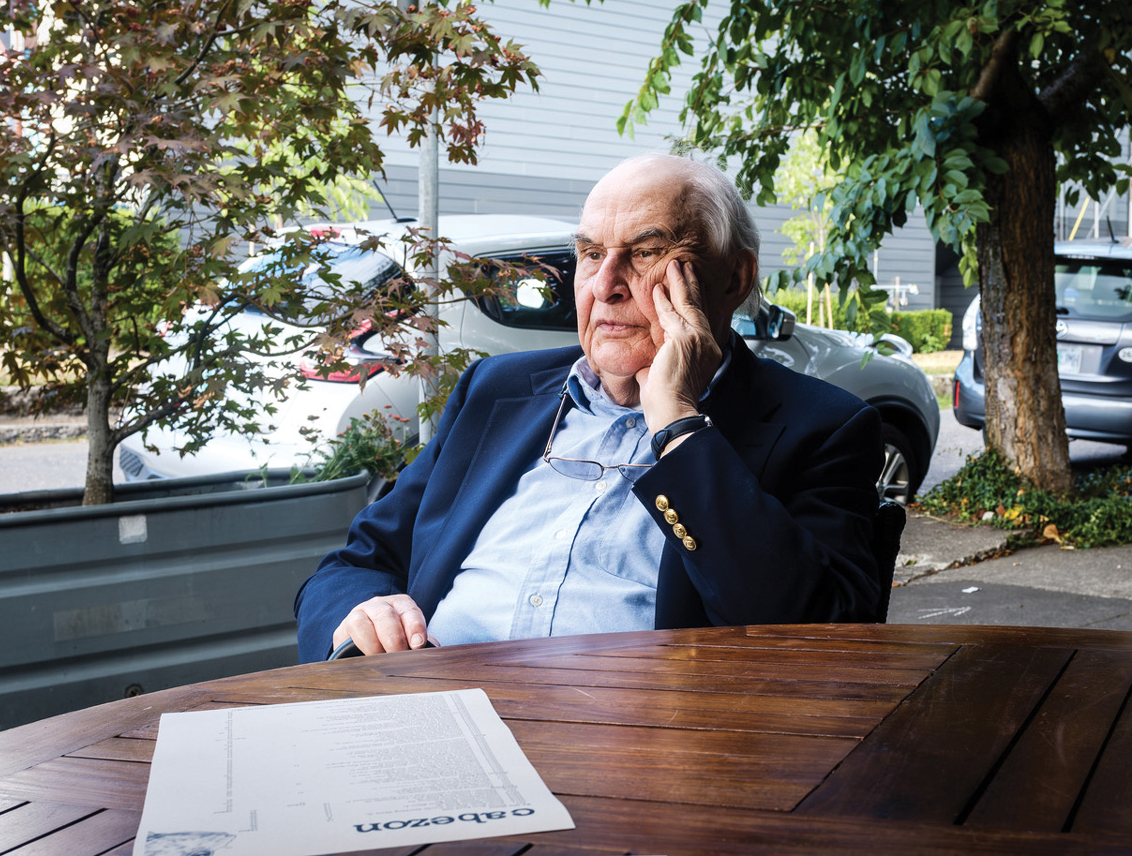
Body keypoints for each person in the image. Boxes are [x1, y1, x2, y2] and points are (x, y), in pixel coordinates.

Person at [294, 154, 883, 662]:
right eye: (590, 253)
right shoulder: (496, 390)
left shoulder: (823, 428)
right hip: (437, 719)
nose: (605, 284)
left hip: (639, 757)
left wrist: (679, 422)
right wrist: (361, 617)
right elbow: (355, 564)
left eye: (647, 252)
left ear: (734, 277)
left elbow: (817, 639)